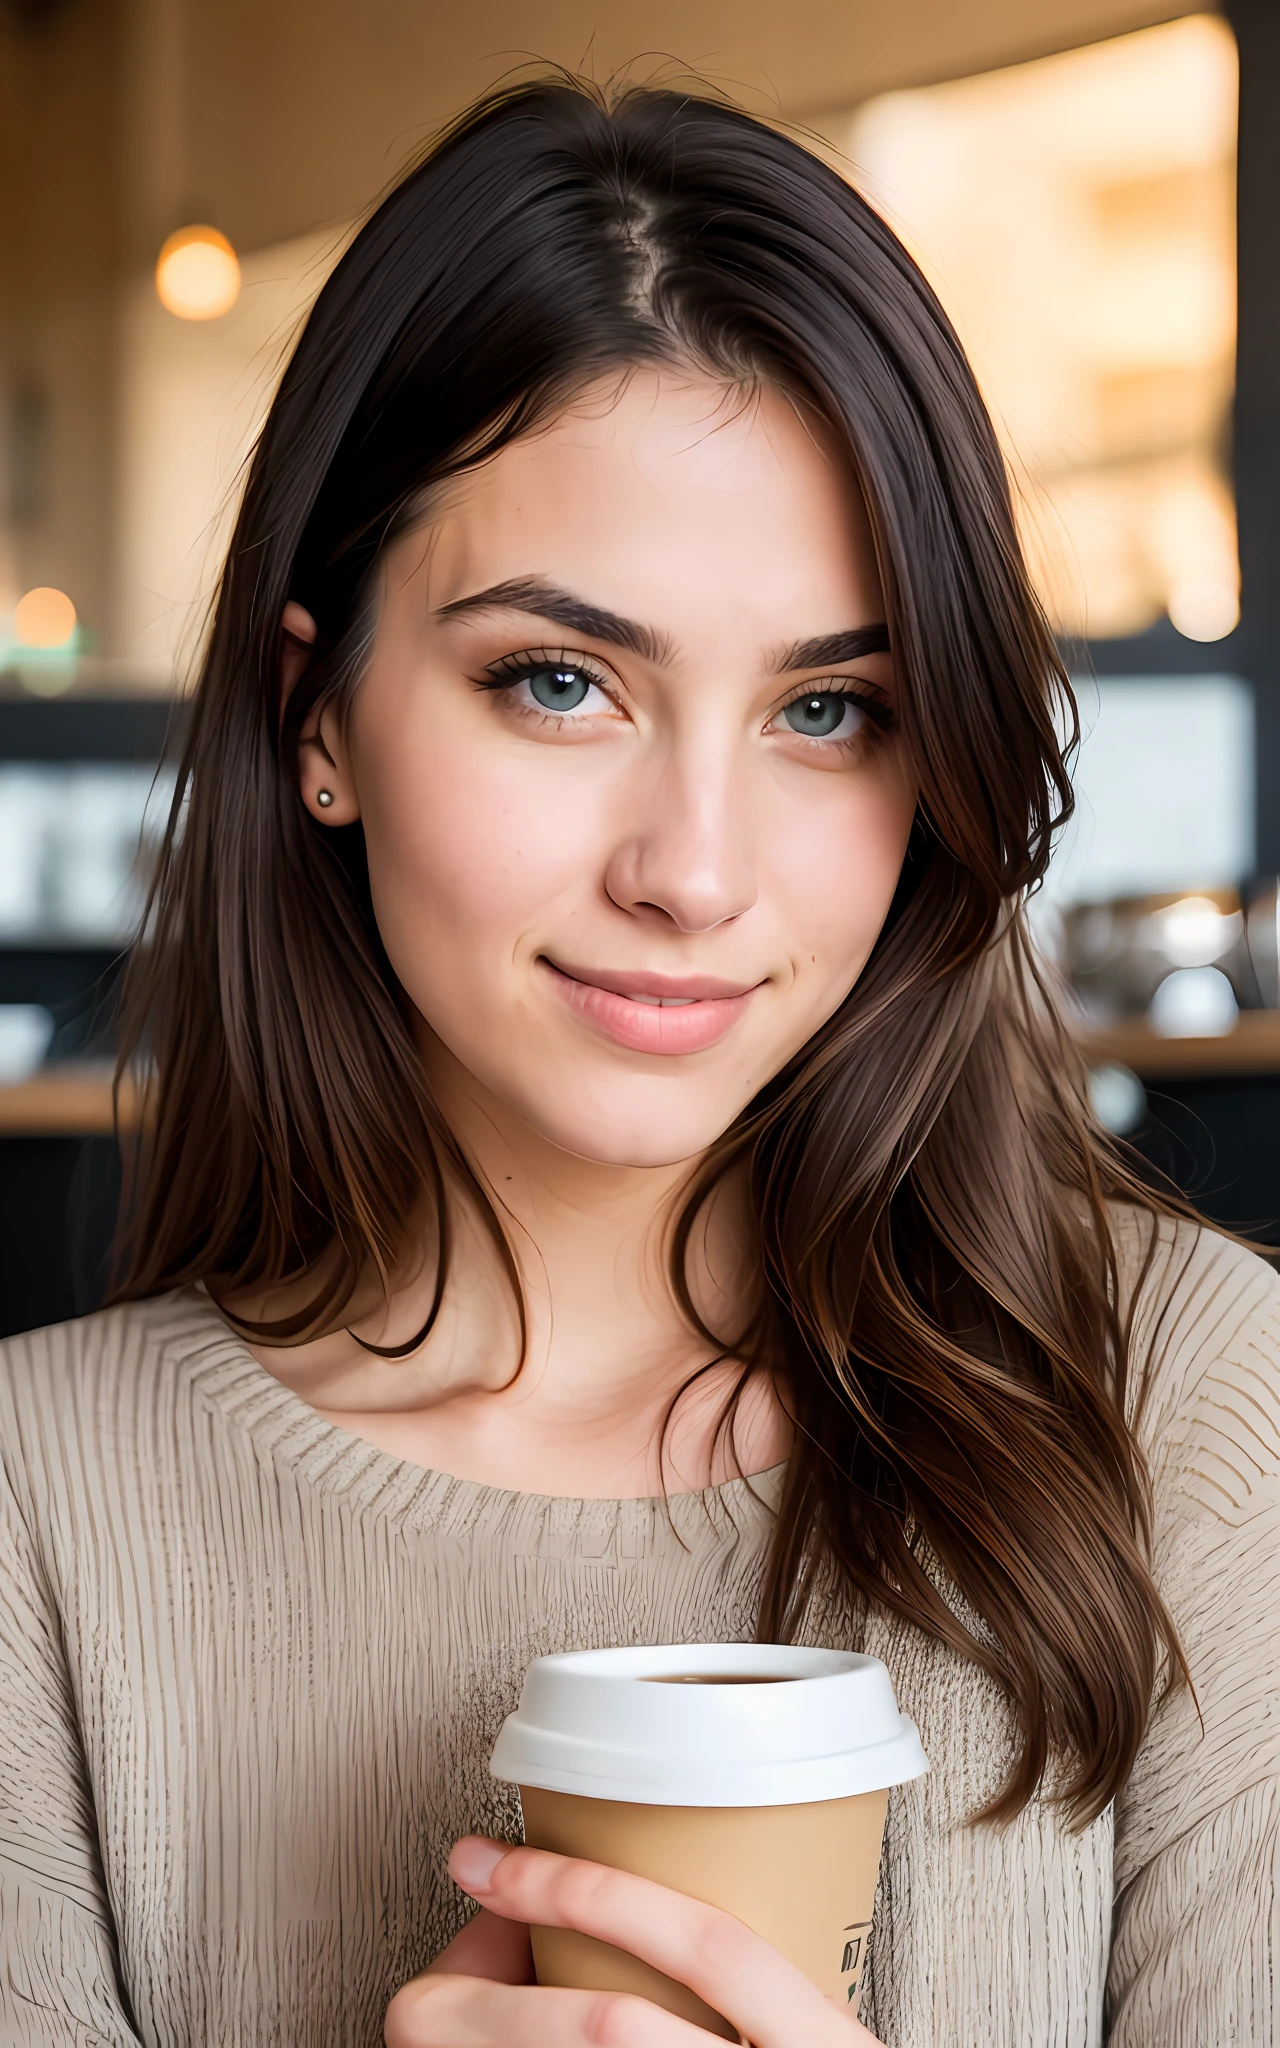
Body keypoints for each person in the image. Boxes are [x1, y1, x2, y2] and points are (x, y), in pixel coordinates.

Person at [0, 77, 1275, 2048]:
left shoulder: (1186, 1409)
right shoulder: (40, 1514)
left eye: (829, 709)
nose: (692, 868)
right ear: (311, 713)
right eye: (560, 682)